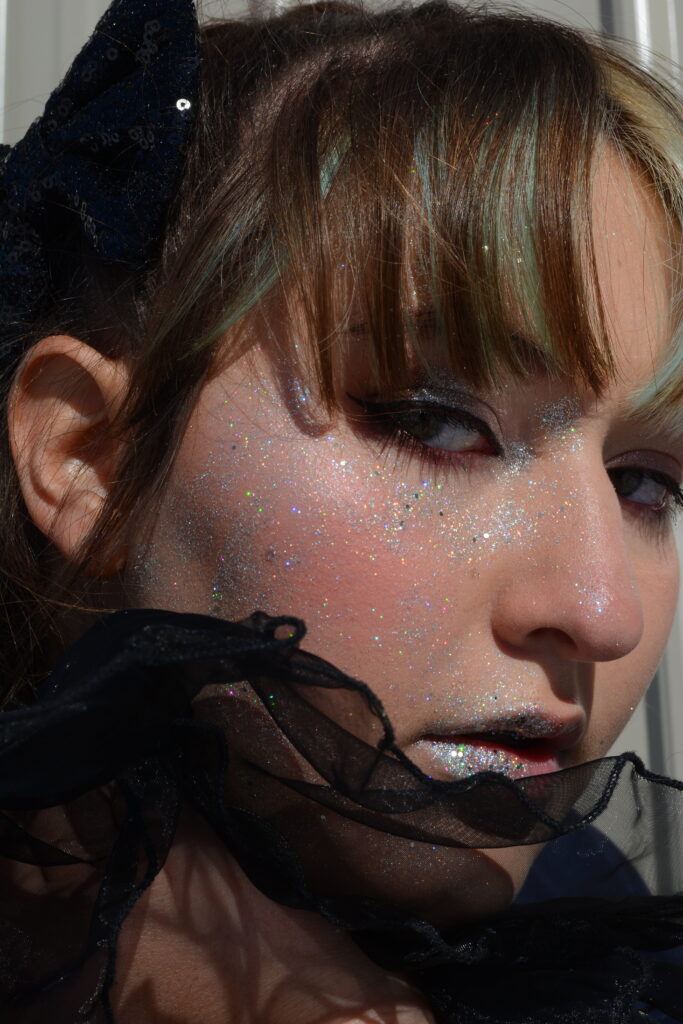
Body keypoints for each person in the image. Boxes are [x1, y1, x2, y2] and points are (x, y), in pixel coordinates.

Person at [0, 0, 683, 1020]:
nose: (599, 612)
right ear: (88, 456)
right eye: (434, 423)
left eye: (644, 483)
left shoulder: (598, 948)